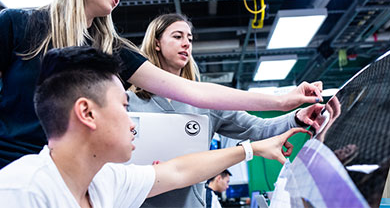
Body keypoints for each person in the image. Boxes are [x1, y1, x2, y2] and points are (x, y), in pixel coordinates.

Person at [0, 0, 321, 192]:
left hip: (68, 179)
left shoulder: (110, 48)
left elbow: (194, 93)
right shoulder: (16, 24)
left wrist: (282, 100)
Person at [0, 46, 309, 207]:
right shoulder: (18, 194)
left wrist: (252, 149)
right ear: (87, 114)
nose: (133, 123)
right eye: (124, 107)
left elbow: (178, 171)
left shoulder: (104, 181)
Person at [129, 13, 325, 207]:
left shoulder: (206, 103)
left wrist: (297, 118)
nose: (187, 44)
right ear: (156, 43)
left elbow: (258, 128)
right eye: (177, 36)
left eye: (189, 38)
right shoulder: (127, 102)